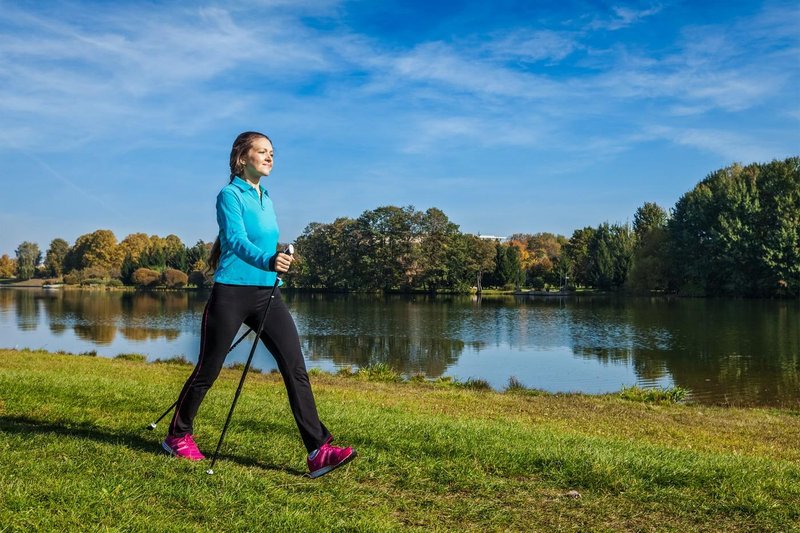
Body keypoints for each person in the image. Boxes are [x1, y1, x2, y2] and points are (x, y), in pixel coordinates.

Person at [162, 131, 356, 478]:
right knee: (208, 370)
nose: (270, 157)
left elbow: (267, 244)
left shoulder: (266, 196)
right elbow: (235, 241)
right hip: (231, 293)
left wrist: (279, 262)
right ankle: (177, 435)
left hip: (268, 294)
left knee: (295, 367)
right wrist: (268, 260)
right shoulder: (229, 195)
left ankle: (318, 450)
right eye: (262, 152)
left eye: (272, 153)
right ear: (242, 158)